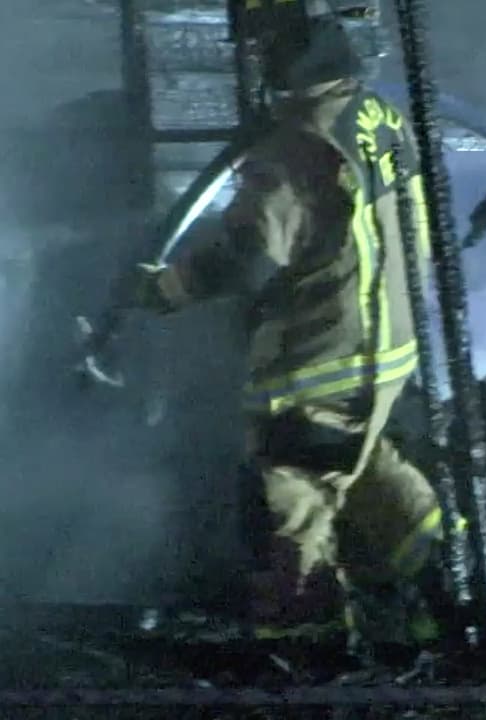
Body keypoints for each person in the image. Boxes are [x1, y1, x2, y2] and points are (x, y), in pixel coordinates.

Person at [117, 4, 449, 657]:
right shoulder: (379, 118)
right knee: (370, 471)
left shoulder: (295, 151)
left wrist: (159, 290)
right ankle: (447, 603)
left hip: (321, 360)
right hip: (387, 353)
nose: (256, 57)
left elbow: (248, 258)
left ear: (291, 53)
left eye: (265, 46)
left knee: (289, 496)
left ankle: (308, 649)